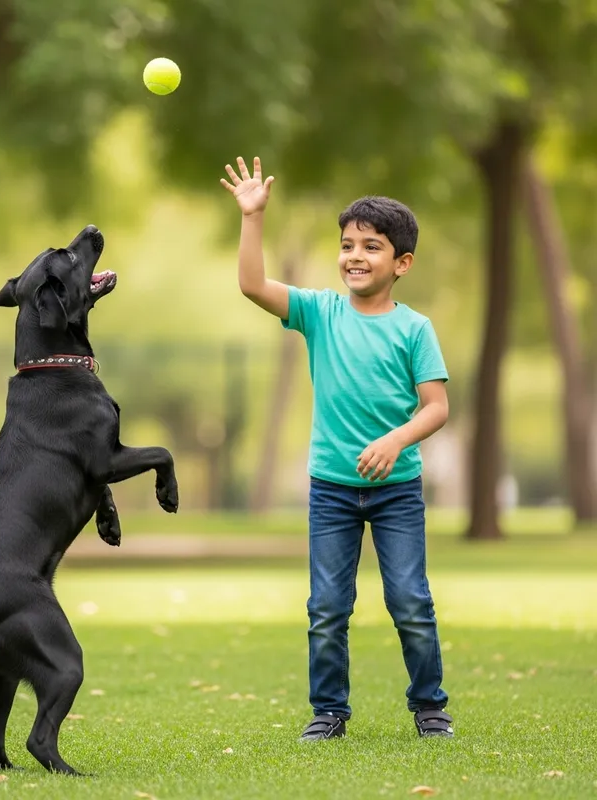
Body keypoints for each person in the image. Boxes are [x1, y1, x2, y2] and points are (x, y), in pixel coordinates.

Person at [220, 156, 454, 740]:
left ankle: (429, 707)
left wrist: (395, 440)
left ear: (402, 263)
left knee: (410, 604)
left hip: (397, 490)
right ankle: (329, 712)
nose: (354, 255)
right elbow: (252, 285)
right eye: (348, 244)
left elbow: (436, 407)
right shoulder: (320, 312)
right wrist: (253, 218)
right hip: (331, 489)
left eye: (371, 247)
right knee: (327, 609)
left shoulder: (414, 329)